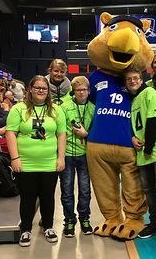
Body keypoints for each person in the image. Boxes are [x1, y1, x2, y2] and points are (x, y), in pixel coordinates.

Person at [6, 75, 66, 247]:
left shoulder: (56, 110)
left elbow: (61, 134)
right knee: (27, 197)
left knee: (48, 196)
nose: (41, 91)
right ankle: (26, 229)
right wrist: (15, 158)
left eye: (44, 89)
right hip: (25, 163)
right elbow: (10, 133)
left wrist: (61, 158)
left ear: (48, 92)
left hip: (49, 162)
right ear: (30, 89)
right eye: (38, 88)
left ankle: (48, 226)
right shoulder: (18, 109)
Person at [124, 67, 156, 251]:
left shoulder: (150, 92)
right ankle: (154, 223)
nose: (132, 81)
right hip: (143, 150)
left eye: (135, 78)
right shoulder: (133, 99)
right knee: (149, 190)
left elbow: (154, 120)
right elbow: (133, 124)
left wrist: (149, 148)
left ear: (141, 78)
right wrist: (133, 138)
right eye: (129, 79)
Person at [60, 76, 95, 237]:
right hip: (67, 154)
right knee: (67, 190)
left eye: (84, 90)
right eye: (78, 90)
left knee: (85, 190)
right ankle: (69, 219)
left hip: (85, 155)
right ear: (73, 91)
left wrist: (86, 133)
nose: (82, 92)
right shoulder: (64, 107)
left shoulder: (94, 108)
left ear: (89, 91)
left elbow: (97, 130)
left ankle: (84, 218)